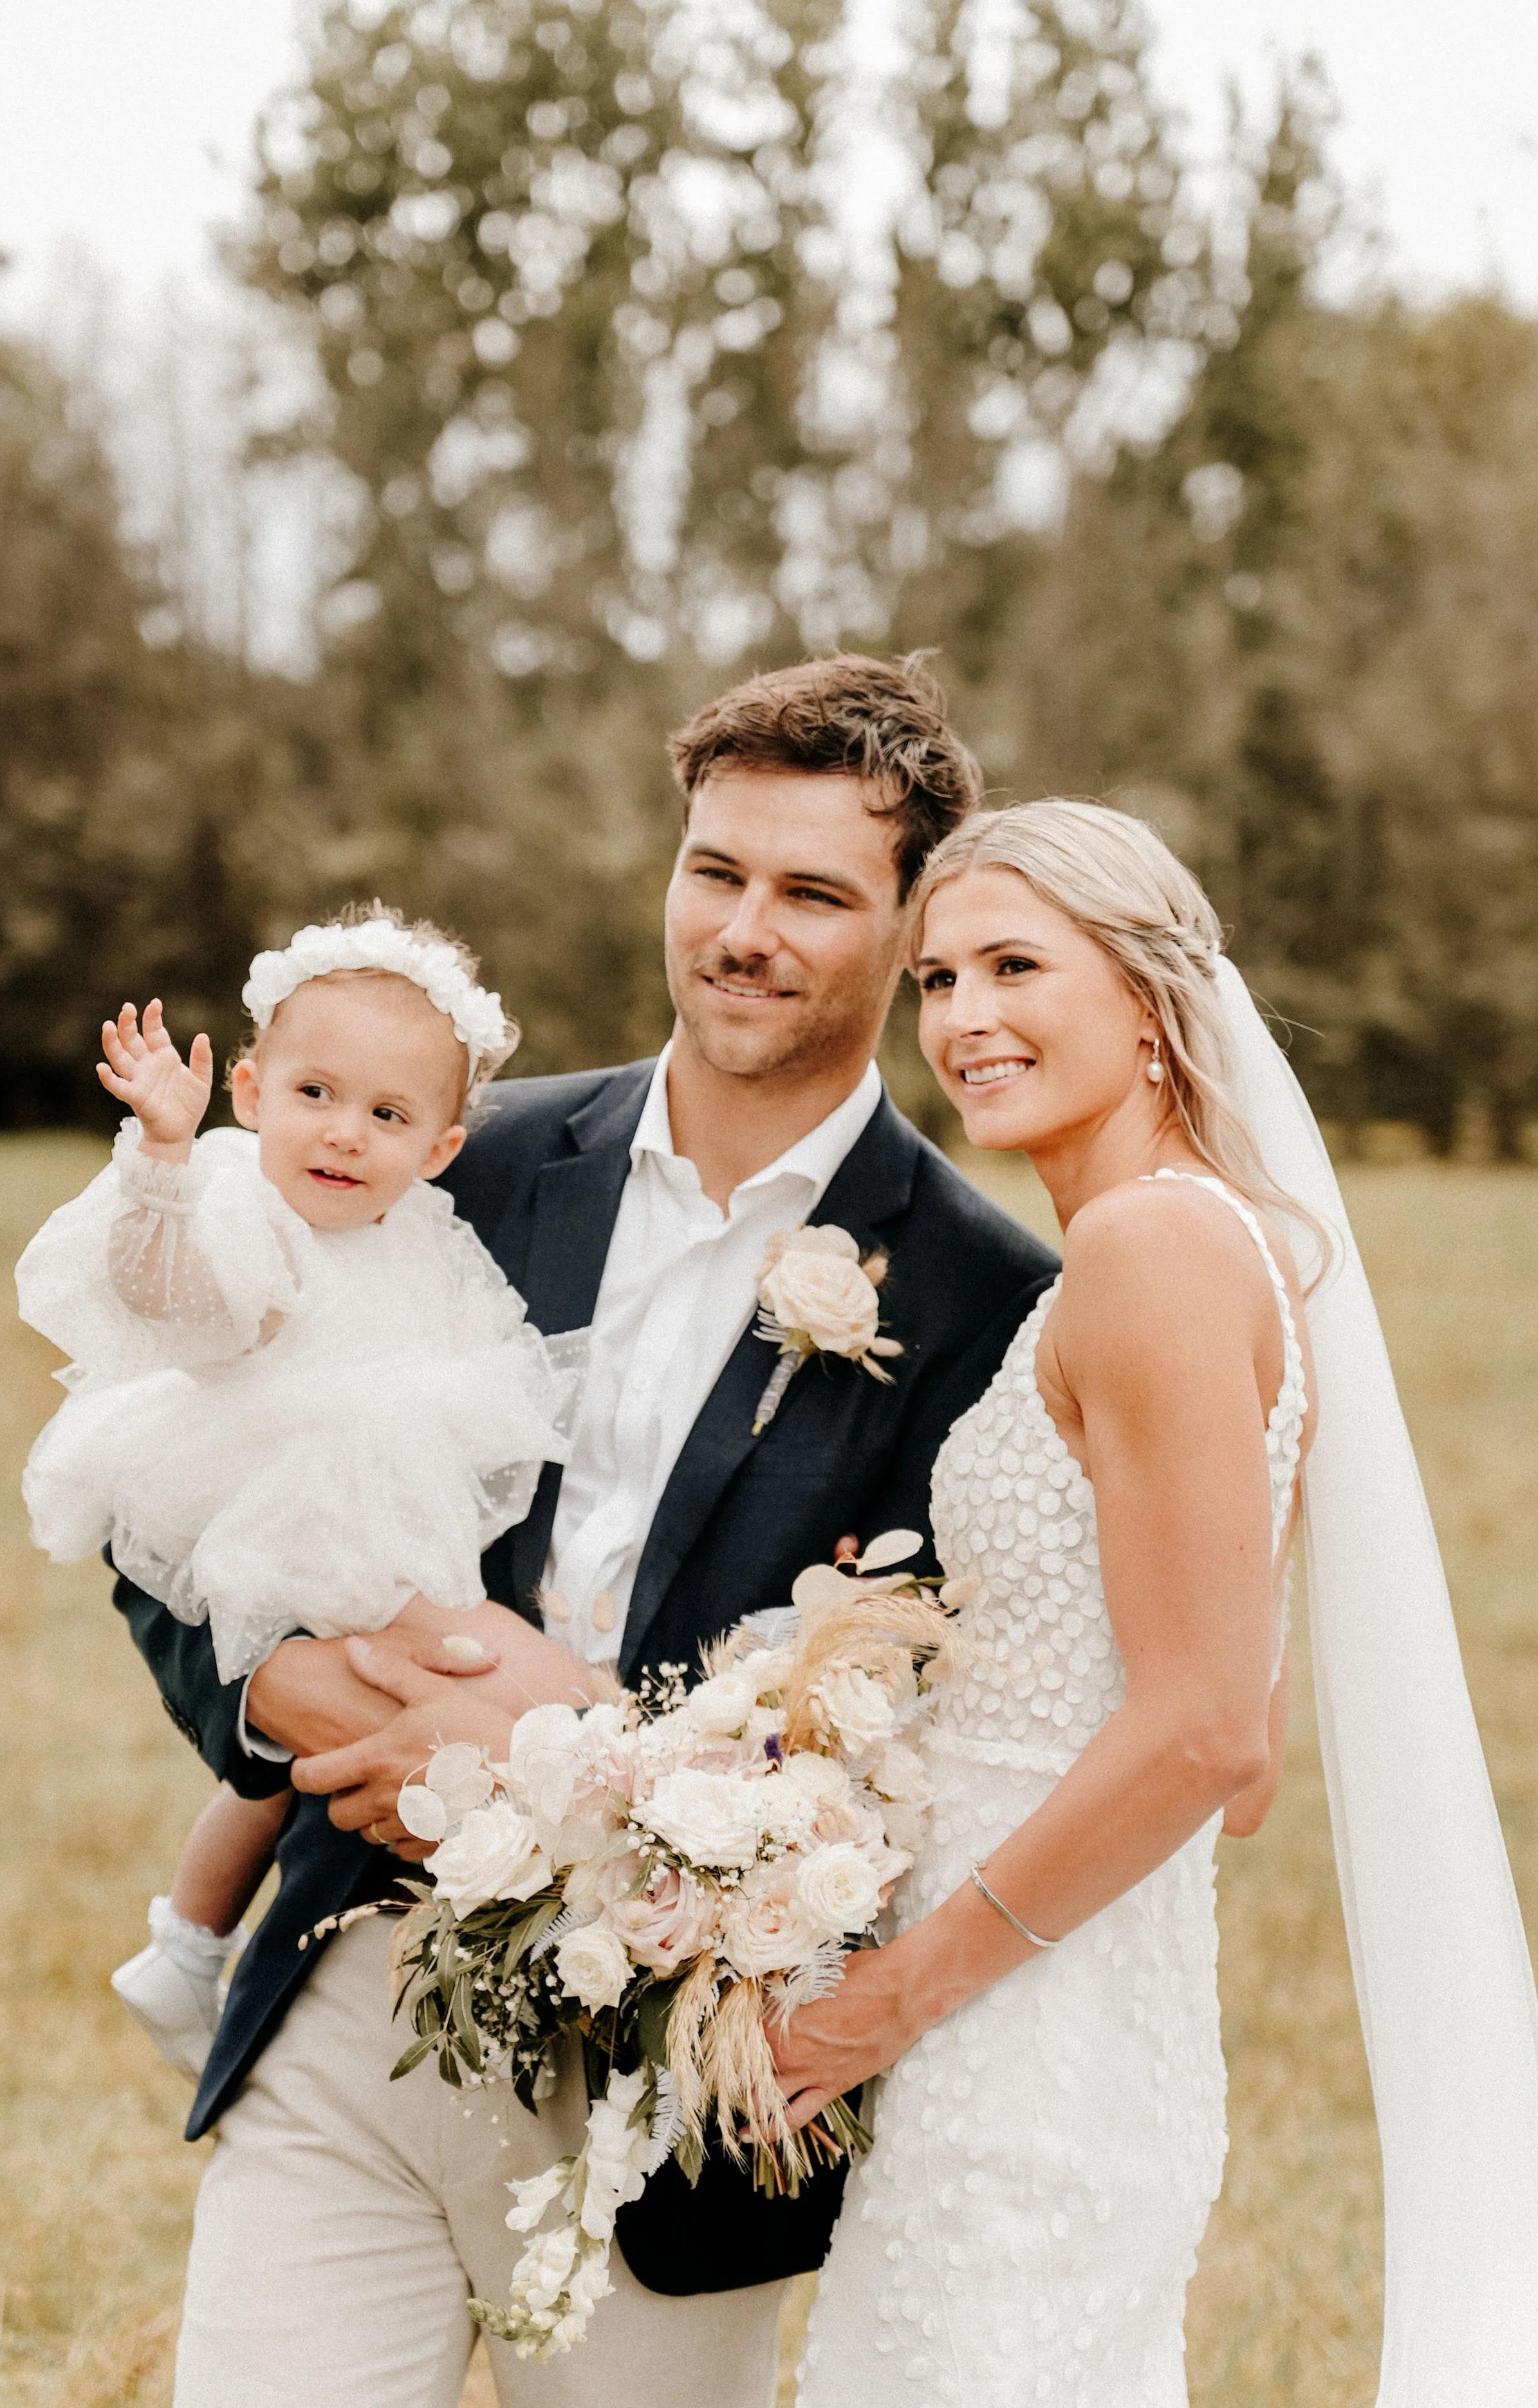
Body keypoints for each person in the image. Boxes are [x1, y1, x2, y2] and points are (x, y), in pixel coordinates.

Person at [107, 654, 1061, 2408]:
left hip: (669, 2080)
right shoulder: (443, 1152)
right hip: (345, 1980)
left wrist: (550, 1755)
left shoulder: (988, 1302)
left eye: (813, 891)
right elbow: (175, 1482)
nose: (745, 927)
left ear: (911, 927)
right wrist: (297, 1692)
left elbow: (936, 1738)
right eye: (717, 870)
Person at [777, 799, 1538, 2405]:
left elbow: (1201, 1734)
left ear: (1143, 994)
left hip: (1018, 2025)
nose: (964, 1019)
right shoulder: (1205, 1243)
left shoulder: (1145, 1251)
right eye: (934, 979)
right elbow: (1243, 1745)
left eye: (1011, 966)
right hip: (1071, 1988)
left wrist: (886, 2000)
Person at [15, 905, 583, 2079]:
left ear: (439, 1148)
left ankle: (184, 1944)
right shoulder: (236, 1204)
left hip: (362, 1505)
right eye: (316, 1093)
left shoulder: (417, 1232)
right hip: (279, 1497)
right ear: (251, 1089)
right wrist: (164, 1161)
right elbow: (181, 1299)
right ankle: (196, 1942)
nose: (344, 1134)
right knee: (477, 1666)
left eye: (387, 1115)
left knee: (278, 1765)